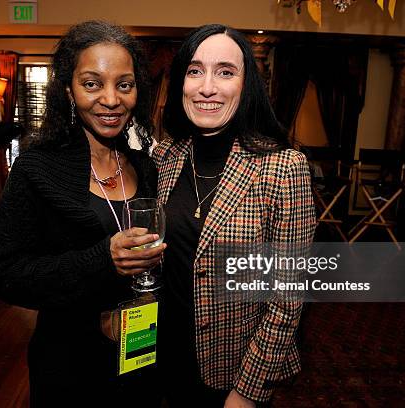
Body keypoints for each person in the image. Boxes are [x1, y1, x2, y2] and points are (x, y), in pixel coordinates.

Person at [0, 21, 165, 407]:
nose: (111, 99)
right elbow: (5, 274)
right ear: (68, 90)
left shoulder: (143, 166)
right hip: (71, 366)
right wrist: (102, 259)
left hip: (141, 356)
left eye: (124, 84)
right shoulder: (37, 169)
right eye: (92, 83)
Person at [154, 24, 317, 407]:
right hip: (162, 363)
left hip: (230, 373)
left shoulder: (283, 167)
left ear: (246, 86)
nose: (207, 87)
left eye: (225, 72)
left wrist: (247, 391)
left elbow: (287, 297)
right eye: (195, 71)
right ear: (181, 82)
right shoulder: (166, 158)